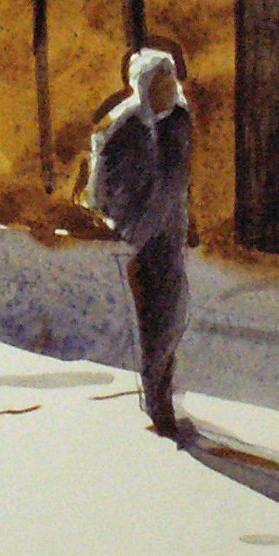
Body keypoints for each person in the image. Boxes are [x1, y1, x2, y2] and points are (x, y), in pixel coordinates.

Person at [82, 47, 194, 441]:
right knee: (153, 324)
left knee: (174, 317)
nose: (169, 89)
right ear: (145, 87)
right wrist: (126, 222)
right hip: (141, 243)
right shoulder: (126, 129)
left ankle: (160, 393)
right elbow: (101, 188)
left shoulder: (180, 123)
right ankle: (159, 403)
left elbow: (179, 181)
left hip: (170, 237)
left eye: (171, 82)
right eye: (161, 84)